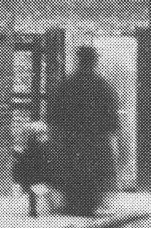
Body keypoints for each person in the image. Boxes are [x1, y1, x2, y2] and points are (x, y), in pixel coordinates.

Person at [44, 45, 121, 217]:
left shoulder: (67, 85)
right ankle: (89, 202)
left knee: (72, 170)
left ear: (79, 61)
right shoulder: (103, 87)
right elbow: (112, 121)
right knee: (93, 173)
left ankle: (74, 202)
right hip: (94, 142)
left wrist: (57, 136)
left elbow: (53, 116)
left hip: (72, 140)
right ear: (94, 62)